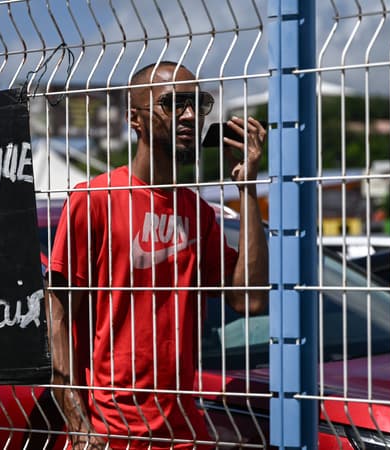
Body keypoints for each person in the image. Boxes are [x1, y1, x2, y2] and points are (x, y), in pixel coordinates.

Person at [46, 62, 269, 449]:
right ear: (135, 119)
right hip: (110, 434)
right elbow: (58, 314)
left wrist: (247, 187)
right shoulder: (95, 199)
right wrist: (78, 424)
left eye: (197, 104)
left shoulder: (196, 212)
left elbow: (248, 298)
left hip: (185, 433)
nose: (188, 115)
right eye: (173, 103)